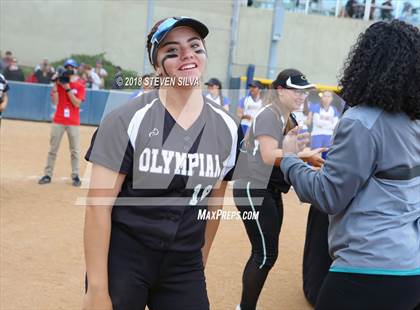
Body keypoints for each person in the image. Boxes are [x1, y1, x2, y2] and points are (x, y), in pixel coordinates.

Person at [83, 16, 242, 310]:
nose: (187, 54)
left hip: (184, 265)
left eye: (195, 46)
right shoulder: (126, 119)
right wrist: (96, 289)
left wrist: (199, 264)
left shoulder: (228, 127)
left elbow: (214, 204)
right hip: (125, 259)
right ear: (157, 65)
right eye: (172, 49)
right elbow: (97, 206)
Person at [281, 20, 420, 310]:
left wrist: (290, 158)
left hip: (366, 268)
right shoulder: (413, 124)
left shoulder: (361, 120)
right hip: (410, 270)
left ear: (366, 61)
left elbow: (327, 196)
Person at [232, 69, 325, 310]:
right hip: (252, 187)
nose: (302, 96)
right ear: (280, 90)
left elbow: (287, 154)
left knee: (266, 254)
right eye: (296, 90)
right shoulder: (269, 114)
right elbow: (268, 155)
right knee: (264, 255)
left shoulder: (289, 117)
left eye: (304, 91)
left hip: (270, 190)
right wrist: (304, 155)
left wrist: (306, 158)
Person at [38, 59, 86, 186]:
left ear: (76, 69)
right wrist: (55, 85)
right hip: (59, 119)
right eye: (67, 67)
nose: (69, 69)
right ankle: (48, 174)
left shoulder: (80, 84)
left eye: (72, 67)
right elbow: (55, 101)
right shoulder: (59, 83)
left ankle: (75, 176)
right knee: (53, 149)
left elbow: (77, 103)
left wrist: (68, 88)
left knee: (75, 150)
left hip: (73, 122)